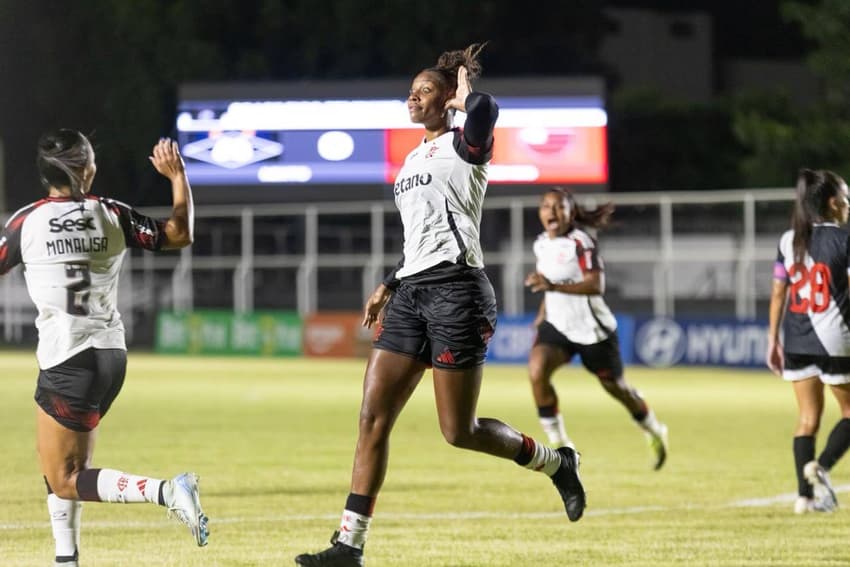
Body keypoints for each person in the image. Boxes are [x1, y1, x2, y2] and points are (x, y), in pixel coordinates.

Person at [295, 43, 585, 567]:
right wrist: (388, 282)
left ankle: (555, 463)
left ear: (448, 97)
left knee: (459, 431)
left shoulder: (466, 142)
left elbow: (488, 111)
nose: (413, 96)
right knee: (371, 418)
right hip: (411, 293)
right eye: (411, 90)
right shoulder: (409, 159)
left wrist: (465, 100)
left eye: (425, 89)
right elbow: (419, 237)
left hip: (459, 293)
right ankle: (348, 547)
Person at [0, 130, 209, 566]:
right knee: (58, 463)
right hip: (111, 355)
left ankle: (168, 491)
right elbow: (180, 233)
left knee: (65, 477)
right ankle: (65, 559)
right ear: (84, 170)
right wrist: (177, 176)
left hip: (67, 357)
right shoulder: (112, 214)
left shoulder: (27, 222)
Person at [524, 188, 669, 470]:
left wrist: (553, 286)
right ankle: (562, 448)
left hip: (593, 331)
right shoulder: (541, 243)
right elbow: (548, 282)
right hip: (558, 325)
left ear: (571, 212)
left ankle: (654, 428)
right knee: (536, 371)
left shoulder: (582, 242)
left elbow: (595, 284)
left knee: (617, 389)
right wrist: (543, 311)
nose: (551, 211)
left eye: (559, 206)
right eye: (546, 206)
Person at [766, 168, 850, 514]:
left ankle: (804, 497)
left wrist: (772, 339)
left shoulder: (789, 239)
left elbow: (778, 293)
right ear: (833, 203)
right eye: (846, 197)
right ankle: (822, 467)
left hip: (797, 337)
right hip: (835, 338)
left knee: (807, 419)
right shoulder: (845, 239)